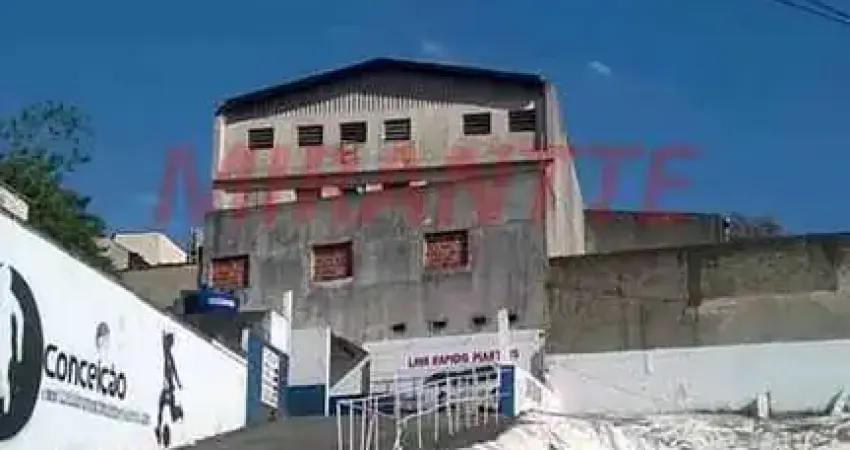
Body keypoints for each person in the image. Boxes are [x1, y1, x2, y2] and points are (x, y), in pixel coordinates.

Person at [0, 264, 24, 416]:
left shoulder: (10, 299)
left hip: (4, 345)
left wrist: (19, 352)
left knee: (2, 375)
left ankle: (5, 408)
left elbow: (20, 323)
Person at [155, 332, 183, 447]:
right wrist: (163, 334)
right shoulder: (165, 353)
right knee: (161, 407)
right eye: (170, 342)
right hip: (167, 387)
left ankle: (178, 412)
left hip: (169, 387)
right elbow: (163, 344)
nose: (171, 344)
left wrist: (178, 382)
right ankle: (158, 428)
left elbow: (174, 370)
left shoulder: (170, 355)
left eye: (171, 342)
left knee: (169, 410)